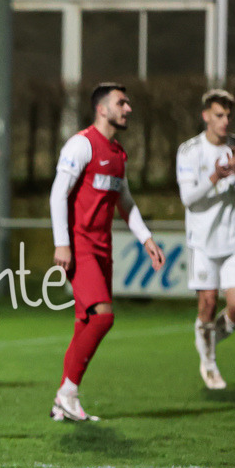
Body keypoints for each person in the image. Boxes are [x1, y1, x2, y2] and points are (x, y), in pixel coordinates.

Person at [49, 82, 166, 422]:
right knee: (103, 316)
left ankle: (63, 404)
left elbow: (124, 202)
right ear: (102, 109)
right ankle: (67, 392)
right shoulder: (81, 144)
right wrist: (62, 243)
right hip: (81, 246)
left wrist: (146, 239)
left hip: (103, 249)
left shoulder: (117, 153)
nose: (128, 108)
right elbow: (58, 195)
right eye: (121, 103)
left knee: (85, 322)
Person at [176, 89, 235, 389]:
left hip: (233, 240)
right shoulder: (189, 151)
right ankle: (209, 363)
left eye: (227, 115)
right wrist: (214, 178)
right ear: (205, 117)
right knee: (208, 304)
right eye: (218, 115)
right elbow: (188, 199)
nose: (225, 121)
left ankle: (206, 338)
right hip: (202, 241)